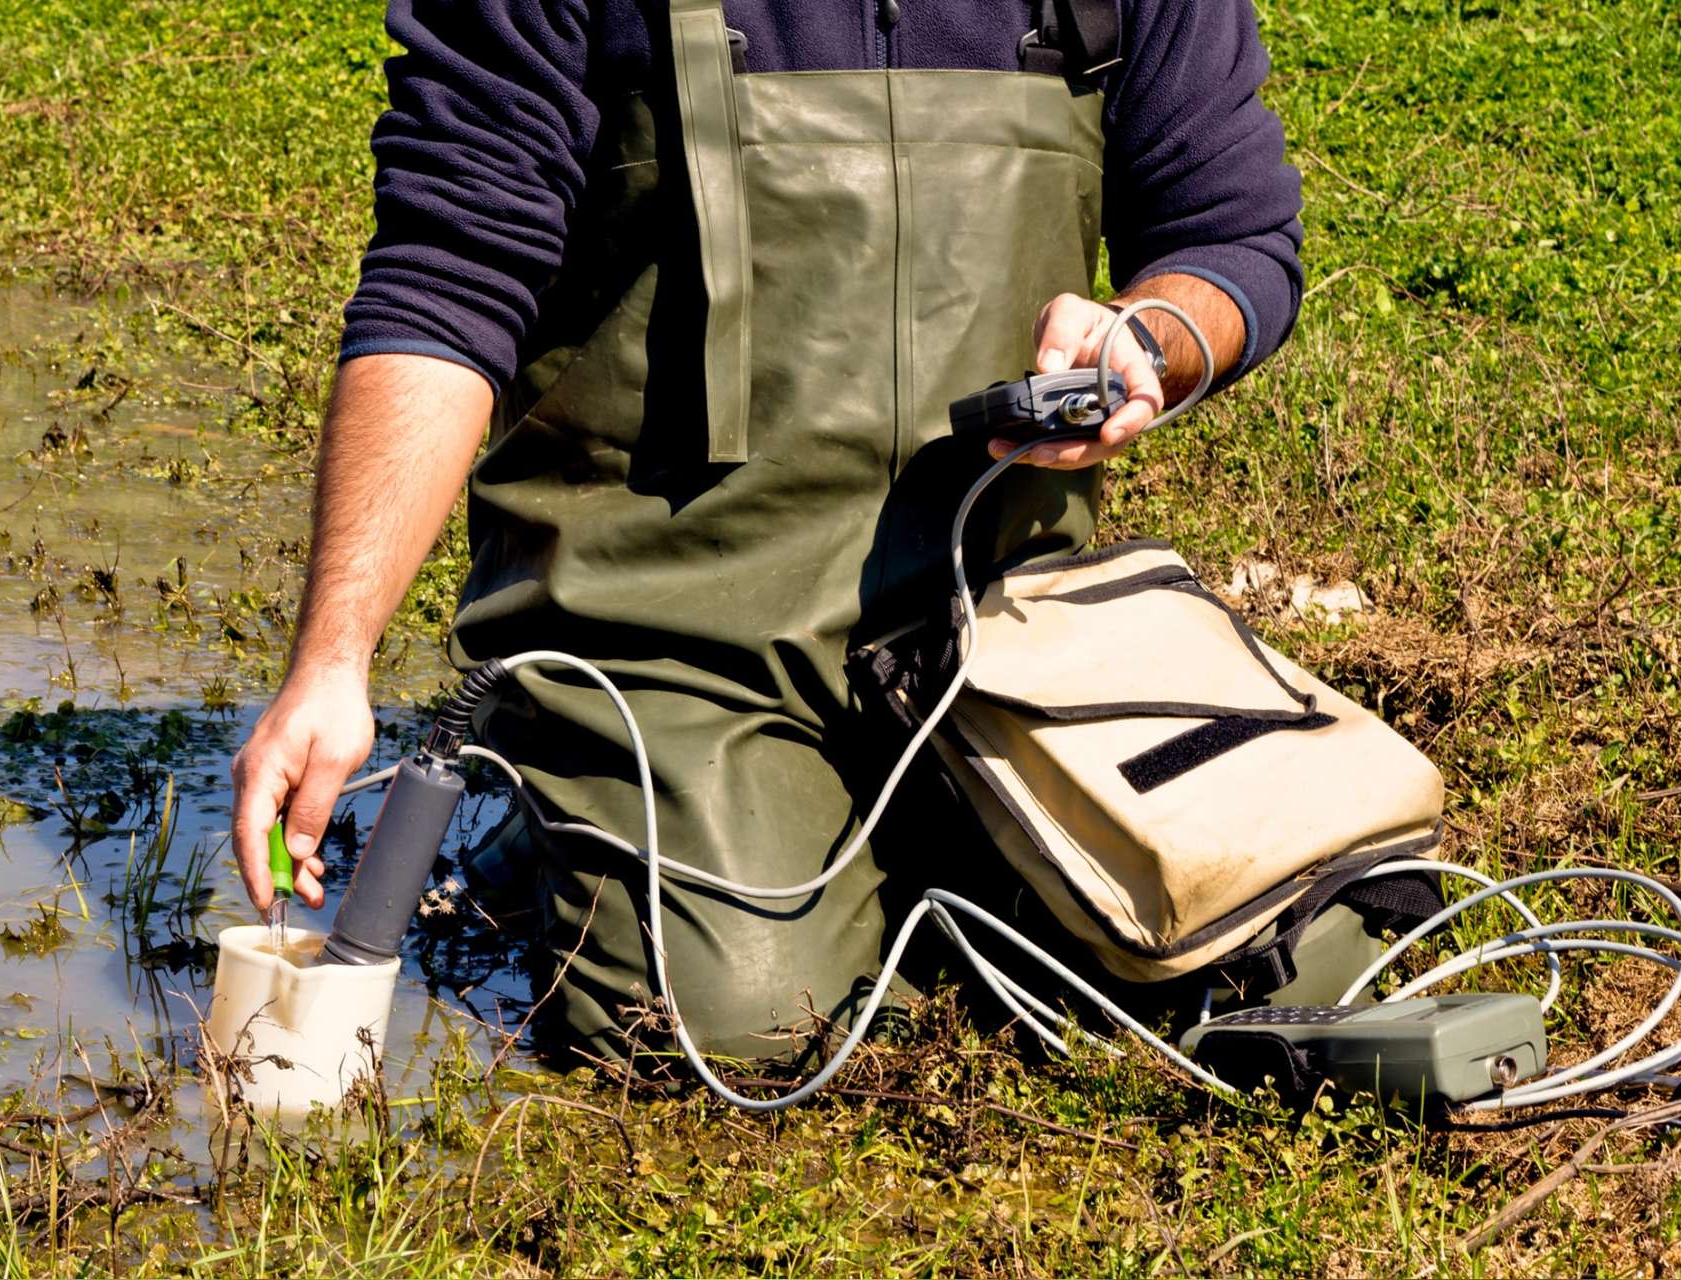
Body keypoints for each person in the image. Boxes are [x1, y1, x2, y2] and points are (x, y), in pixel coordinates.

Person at [231, 0, 1305, 1061]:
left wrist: (1153, 339)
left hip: (1002, 634)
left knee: (1294, 938)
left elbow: (1233, 233)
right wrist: (333, 658)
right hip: (663, 636)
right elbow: (447, 283)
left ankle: (888, 833)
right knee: (734, 1022)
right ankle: (563, 809)